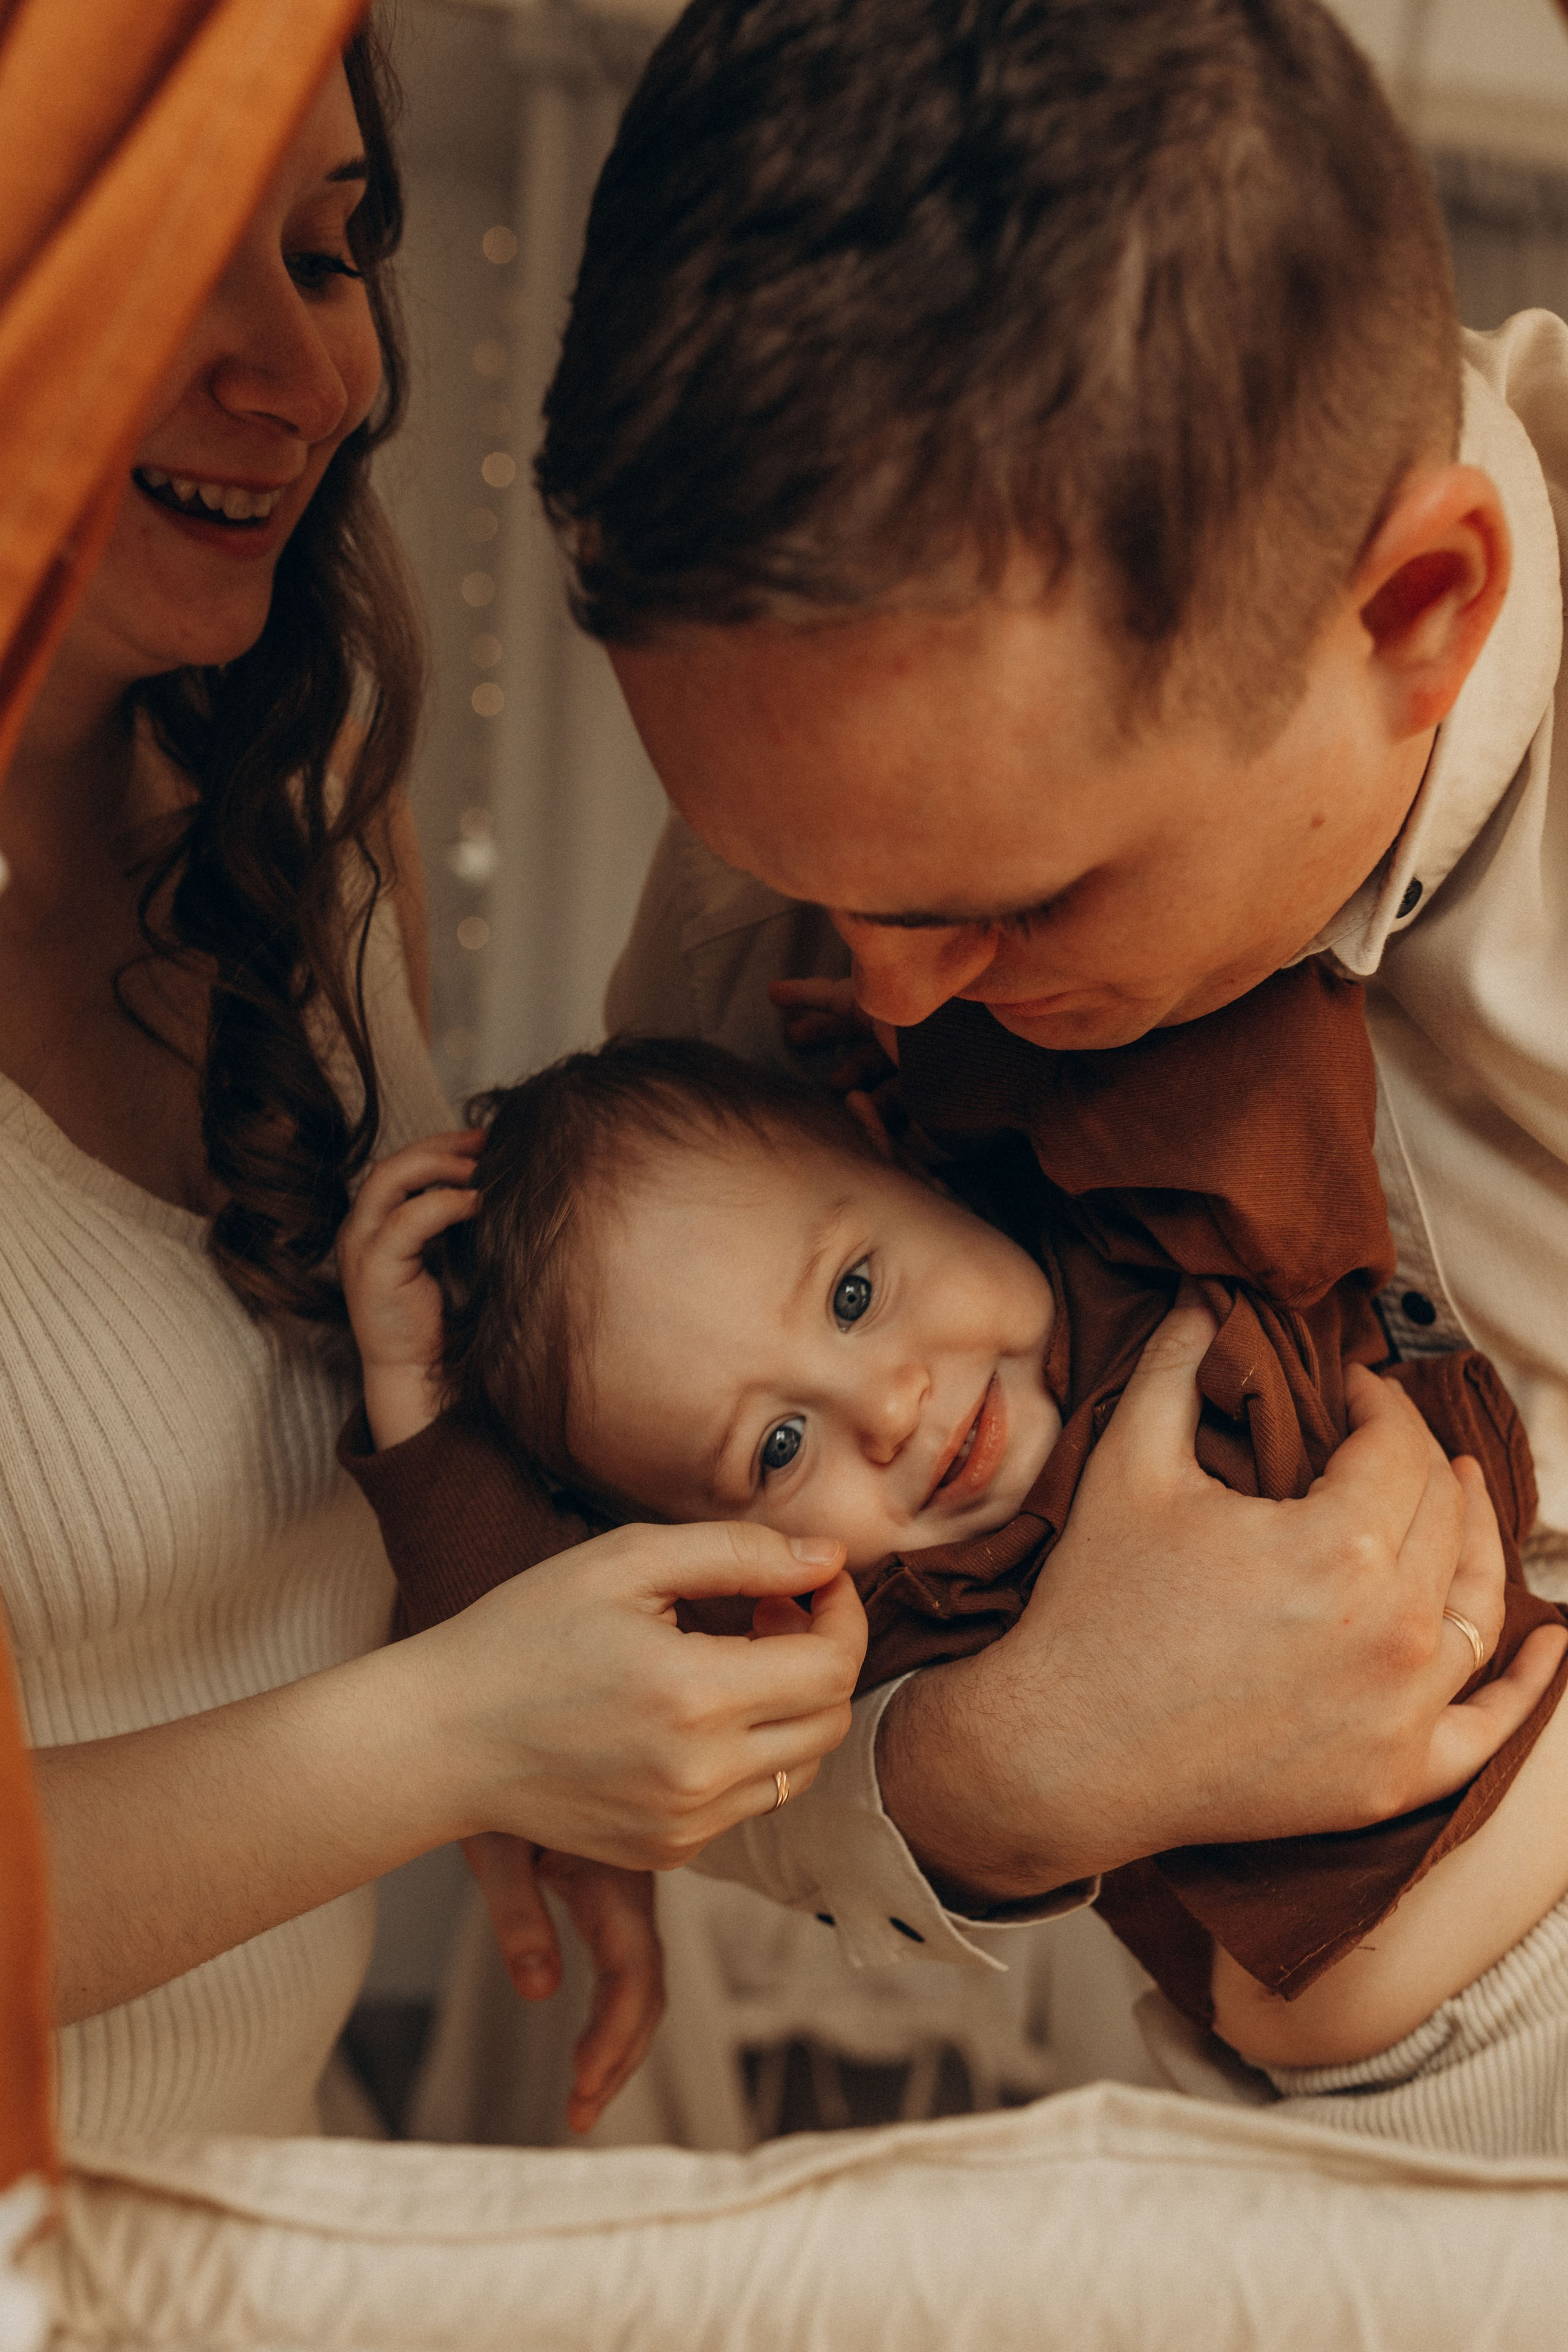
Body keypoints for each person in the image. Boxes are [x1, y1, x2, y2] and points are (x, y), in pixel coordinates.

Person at [511, 0, 1568, 1963]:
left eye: (1015, 902)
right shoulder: (836, 819)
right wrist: (993, 1777)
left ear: (1419, 615)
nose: (890, 1008)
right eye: (812, 884)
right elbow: (614, 1664)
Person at [0, 25, 862, 2144]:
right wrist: (457, 1738)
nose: (315, 375)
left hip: (256, 2198)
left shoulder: (295, 821)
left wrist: (517, 1708)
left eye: (331, 251)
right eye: (192, 248)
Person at [338, 1022, 1568, 2154]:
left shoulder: (1136, 1230)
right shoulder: (867, 1624)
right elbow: (551, 1668)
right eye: (775, 1450)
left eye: (853, 1293)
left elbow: (1237, 1014)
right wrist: (419, 1412)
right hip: (1377, 2074)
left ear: (903, 1155)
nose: (885, 1408)